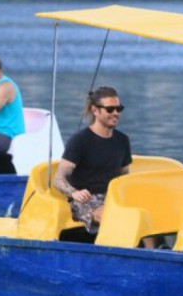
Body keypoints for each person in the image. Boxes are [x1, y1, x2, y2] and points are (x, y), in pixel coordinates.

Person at [54, 86, 132, 236]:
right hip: (86, 199)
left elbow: (124, 177)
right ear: (95, 111)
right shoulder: (80, 140)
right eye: (110, 109)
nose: (115, 113)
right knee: (111, 216)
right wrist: (74, 192)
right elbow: (59, 179)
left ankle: (157, 251)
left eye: (118, 108)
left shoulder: (123, 140)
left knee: (144, 213)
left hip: (112, 197)